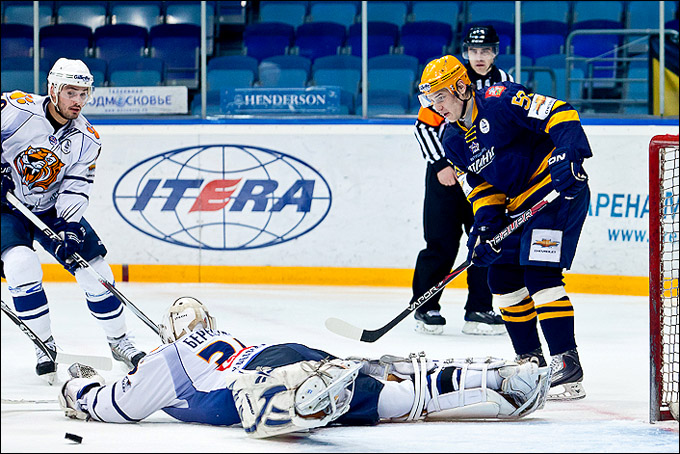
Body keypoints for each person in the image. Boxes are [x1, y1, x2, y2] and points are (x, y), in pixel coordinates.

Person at [58, 297, 552, 438]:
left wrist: (76, 389)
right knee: (393, 395)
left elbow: (120, 406)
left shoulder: (169, 357)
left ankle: (301, 398)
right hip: (286, 352)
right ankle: (496, 381)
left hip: (256, 382)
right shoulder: (228, 336)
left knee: (262, 400)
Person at [417, 55, 592, 401]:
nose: (437, 107)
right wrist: (484, 228)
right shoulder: (451, 138)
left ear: (461, 87)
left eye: (440, 96)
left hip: (555, 193)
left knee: (541, 274)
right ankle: (531, 363)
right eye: (430, 100)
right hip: (518, 205)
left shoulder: (500, 98)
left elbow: (560, 112)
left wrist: (569, 153)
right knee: (502, 278)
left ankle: (566, 364)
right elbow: (482, 187)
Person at [1, 58, 146, 383]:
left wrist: (68, 228)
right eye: (70, 92)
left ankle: (120, 342)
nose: (77, 101)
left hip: (51, 208)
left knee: (96, 271)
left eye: (83, 93)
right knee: (21, 265)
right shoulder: (15, 109)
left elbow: (76, 186)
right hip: (6, 206)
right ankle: (44, 344)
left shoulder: (87, 138)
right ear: (53, 89)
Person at [411, 25, 511, 336]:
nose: (479, 57)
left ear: (495, 52)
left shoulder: (503, 81)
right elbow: (424, 127)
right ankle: (426, 306)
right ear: (466, 51)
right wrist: (441, 164)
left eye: (486, 51)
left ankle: (479, 309)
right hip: (446, 175)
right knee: (440, 242)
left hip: (483, 174)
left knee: (484, 240)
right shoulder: (447, 77)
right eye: (474, 51)